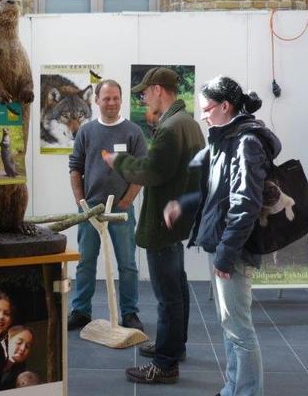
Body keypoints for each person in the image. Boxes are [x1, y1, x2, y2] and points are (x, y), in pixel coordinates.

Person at [164, 76, 280, 396]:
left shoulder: (246, 142)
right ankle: (233, 387)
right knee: (230, 328)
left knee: (239, 330)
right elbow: (214, 193)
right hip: (223, 244)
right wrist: (182, 204)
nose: (202, 115)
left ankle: (245, 392)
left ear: (225, 106)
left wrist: (227, 254)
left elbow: (245, 205)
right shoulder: (224, 138)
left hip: (235, 248)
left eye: (206, 109)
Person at [103, 67, 204, 384]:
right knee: (178, 289)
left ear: (159, 89)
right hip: (178, 221)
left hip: (163, 223)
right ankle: (174, 347)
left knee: (167, 297)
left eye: (145, 92)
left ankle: (165, 365)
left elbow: (150, 171)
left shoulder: (171, 128)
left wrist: (116, 161)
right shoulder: (190, 125)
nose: (143, 97)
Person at [68, 79, 148, 332]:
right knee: (85, 262)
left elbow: (142, 171)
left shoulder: (133, 132)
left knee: (127, 264)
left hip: (121, 211)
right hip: (90, 210)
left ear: (120, 100)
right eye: (106, 98)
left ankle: (130, 313)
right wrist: (81, 203)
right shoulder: (86, 132)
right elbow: (75, 168)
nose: (111, 102)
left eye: (115, 98)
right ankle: (81, 311)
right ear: (97, 101)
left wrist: (126, 201)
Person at [1, 325, 35, 389]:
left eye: (27, 346)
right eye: (19, 342)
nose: (23, 348)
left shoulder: (21, 375)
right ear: (6, 341)